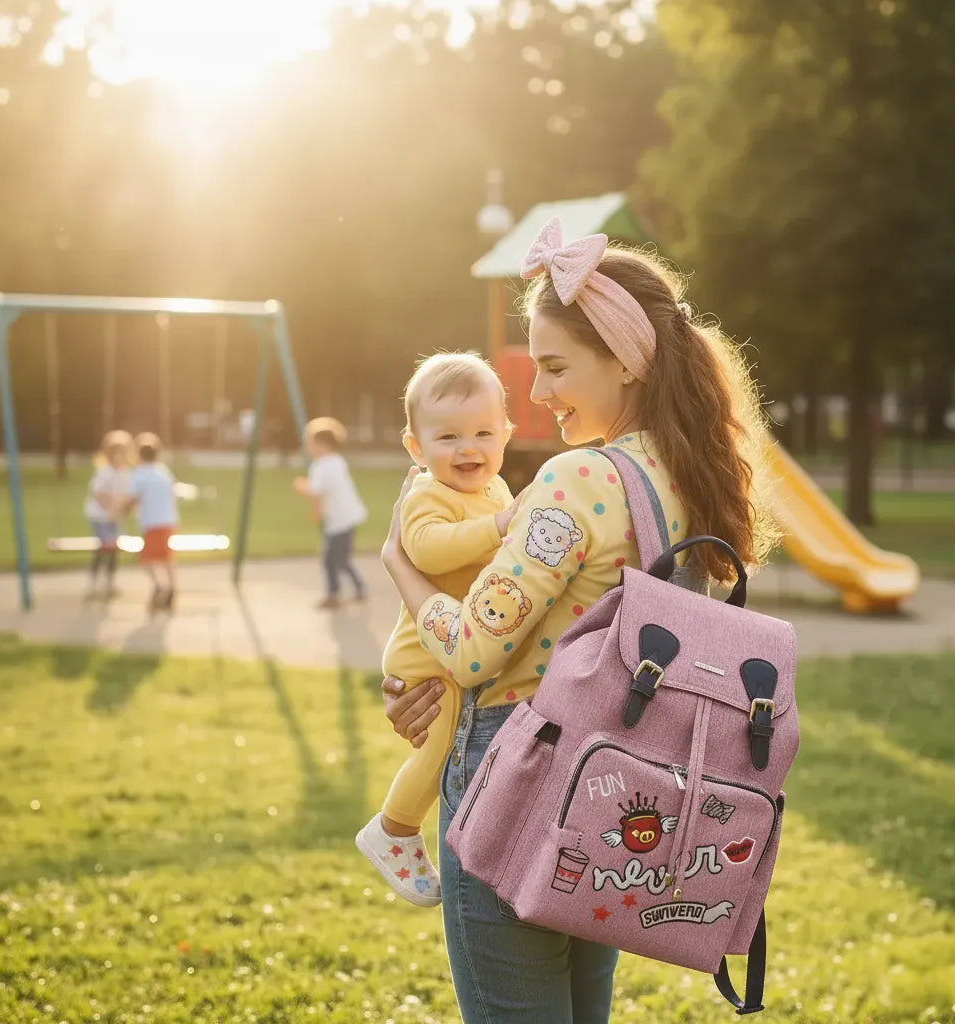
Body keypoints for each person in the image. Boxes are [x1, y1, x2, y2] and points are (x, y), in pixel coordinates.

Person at [378, 218, 780, 1023]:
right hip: (617, 777)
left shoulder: (577, 480)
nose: (536, 393)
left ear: (626, 360)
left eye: (555, 367)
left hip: (517, 775)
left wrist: (400, 565)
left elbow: (470, 655)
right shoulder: (687, 475)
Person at [355, 352, 518, 908]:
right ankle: (395, 828)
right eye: (447, 436)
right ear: (416, 448)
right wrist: (497, 528)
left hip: (458, 642)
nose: (468, 448)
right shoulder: (429, 493)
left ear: (506, 435)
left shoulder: (498, 492)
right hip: (424, 654)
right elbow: (422, 548)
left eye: (482, 433)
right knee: (445, 739)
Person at [293, 416, 368, 610]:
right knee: (340, 558)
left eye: (310, 444)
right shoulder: (337, 461)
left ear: (321, 445)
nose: (309, 448)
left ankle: (334, 594)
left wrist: (306, 495)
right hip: (350, 516)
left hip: (338, 520)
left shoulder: (320, 466)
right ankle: (358, 587)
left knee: (331, 559)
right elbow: (327, 487)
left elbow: (318, 494)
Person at [123, 432, 179, 612]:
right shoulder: (163, 472)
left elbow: (132, 498)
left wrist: (123, 510)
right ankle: (170, 587)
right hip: (169, 520)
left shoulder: (139, 474)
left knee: (147, 560)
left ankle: (161, 587)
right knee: (166, 557)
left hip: (152, 523)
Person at [82, 429, 134, 600]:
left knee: (113, 549)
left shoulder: (126, 472)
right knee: (104, 547)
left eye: (122, 453)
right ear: (110, 455)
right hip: (100, 515)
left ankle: (110, 582)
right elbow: (99, 494)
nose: (119, 457)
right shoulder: (104, 472)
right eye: (115, 453)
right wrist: (111, 510)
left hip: (114, 516)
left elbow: (127, 497)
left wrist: (121, 511)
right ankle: (93, 583)